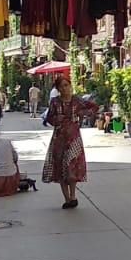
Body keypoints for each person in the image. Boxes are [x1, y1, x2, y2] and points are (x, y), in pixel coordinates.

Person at [42, 74, 97, 209]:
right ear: (58, 89)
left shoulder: (77, 100)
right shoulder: (55, 102)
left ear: (70, 86)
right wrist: (56, 119)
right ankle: (67, 198)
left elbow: (93, 107)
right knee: (61, 167)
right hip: (59, 137)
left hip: (73, 138)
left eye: (66, 85)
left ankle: (73, 196)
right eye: (61, 86)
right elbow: (49, 118)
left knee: (71, 166)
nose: (64, 89)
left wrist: (82, 114)